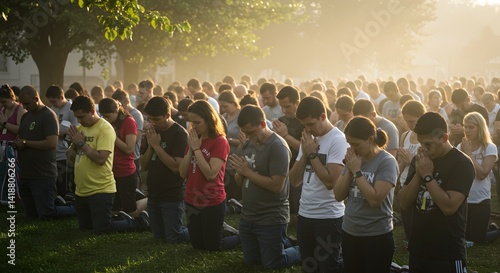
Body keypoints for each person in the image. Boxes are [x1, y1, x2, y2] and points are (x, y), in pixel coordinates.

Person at [398, 112, 474, 273]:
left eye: (428, 144)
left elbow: (449, 207)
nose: (423, 149)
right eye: (420, 144)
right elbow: (404, 202)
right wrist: (418, 176)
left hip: (447, 253)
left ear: (444, 138)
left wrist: (427, 176)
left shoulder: (462, 164)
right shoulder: (421, 159)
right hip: (418, 249)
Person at [228, 105, 300, 269]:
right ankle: (282, 243)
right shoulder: (248, 144)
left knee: (273, 263)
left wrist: (247, 171)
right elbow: (240, 182)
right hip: (248, 215)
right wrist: (241, 173)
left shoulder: (278, 147)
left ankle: (302, 250)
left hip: (270, 216)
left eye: (251, 132)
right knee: (251, 261)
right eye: (245, 133)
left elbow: (277, 185)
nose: (248, 137)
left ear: (262, 124)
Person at [67, 96, 148, 234]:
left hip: (104, 185)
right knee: (86, 228)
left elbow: (101, 159)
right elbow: (70, 159)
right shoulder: (80, 128)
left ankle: (138, 222)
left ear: (92, 111)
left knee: (106, 226)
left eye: (81, 116)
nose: (79, 120)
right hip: (82, 188)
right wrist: (74, 146)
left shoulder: (106, 128)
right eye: (77, 117)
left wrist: (81, 144)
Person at [289, 97, 348, 273]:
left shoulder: (338, 139)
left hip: (328, 217)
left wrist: (313, 155)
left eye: (311, 124)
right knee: (308, 266)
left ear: (323, 116)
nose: (308, 129)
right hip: (305, 213)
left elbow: (331, 182)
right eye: (304, 125)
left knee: (328, 267)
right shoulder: (308, 139)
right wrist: (307, 154)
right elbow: (294, 180)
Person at [334, 116, 398, 273]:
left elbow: (375, 199)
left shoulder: (386, 162)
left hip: (376, 236)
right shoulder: (354, 160)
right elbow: (338, 195)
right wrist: (350, 170)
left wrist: (356, 171)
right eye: (349, 144)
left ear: (370, 140)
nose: (352, 148)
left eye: (356, 144)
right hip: (350, 232)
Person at [179, 100, 239, 250]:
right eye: (191, 122)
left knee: (213, 247)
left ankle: (241, 236)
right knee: (198, 246)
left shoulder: (219, 141)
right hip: (192, 198)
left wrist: (197, 150)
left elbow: (211, 174)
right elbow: (182, 172)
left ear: (209, 120)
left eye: (197, 122)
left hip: (210, 199)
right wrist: (192, 149)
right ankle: (220, 230)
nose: (194, 126)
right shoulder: (194, 139)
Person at [15, 85, 75, 219]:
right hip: (26, 173)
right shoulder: (26, 116)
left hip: (42, 174)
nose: (24, 107)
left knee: (47, 214)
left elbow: (51, 143)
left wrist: (25, 143)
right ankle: (59, 203)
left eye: (27, 103)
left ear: (36, 99)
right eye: (22, 104)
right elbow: (22, 137)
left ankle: (75, 208)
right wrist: (19, 142)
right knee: (31, 215)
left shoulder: (48, 115)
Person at [141, 97, 190, 243]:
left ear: (167, 115)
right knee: (159, 237)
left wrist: (156, 146)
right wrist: (151, 146)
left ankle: (198, 229)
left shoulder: (179, 134)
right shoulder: (153, 132)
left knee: (174, 238)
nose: (153, 123)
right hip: (154, 194)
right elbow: (143, 166)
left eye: (156, 119)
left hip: (171, 195)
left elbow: (177, 168)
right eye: (150, 119)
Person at [458, 112, 500, 244]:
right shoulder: (461, 147)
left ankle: (496, 229)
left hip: (481, 200)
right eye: (465, 127)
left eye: (471, 127)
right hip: (463, 199)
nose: (467, 130)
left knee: (478, 239)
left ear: (480, 128)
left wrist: (469, 154)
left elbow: (482, 174)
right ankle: (490, 227)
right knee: (465, 236)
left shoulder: (490, 147)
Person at [98, 98, 140, 217]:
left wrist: (112, 135)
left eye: (108, 116)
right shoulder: (106, 122)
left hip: (125, 171)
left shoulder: (129, 122)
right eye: (103, 116)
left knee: (131, 211)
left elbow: (129, 148)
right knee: (114, 209)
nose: (105, 119)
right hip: (110, 170)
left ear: (116, 112)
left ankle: (147, 201)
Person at [273, 86, 304, 228]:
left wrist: (286, 136)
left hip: (301, 169)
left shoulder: (305, 121)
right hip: (284, 169)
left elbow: (306, 149)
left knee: (299, 207)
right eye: (282, 107)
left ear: (297, 103)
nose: (284, 110)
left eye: (288, 106)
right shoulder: (281, 121)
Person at [45, 85, 79, 201]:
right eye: (50, 102)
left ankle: (68, 204)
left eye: (54, 101)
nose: (53, 104)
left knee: (66, 181)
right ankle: (62, 202)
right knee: (58, 181)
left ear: (61, 97)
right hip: (55, 150)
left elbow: (78, 129)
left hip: (66, 152)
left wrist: (62, 134)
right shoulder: (53, 109)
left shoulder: (71, 108)